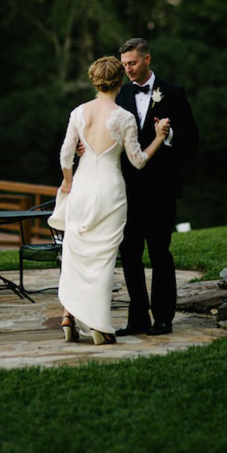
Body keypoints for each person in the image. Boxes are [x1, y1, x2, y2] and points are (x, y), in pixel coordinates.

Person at [52, 56, 170, 346]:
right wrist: (158, 137)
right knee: (103, 259)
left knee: (76, 253)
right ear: (119, 82)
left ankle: (68, 315)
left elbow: (65, 155)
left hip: (80, 189)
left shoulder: (79, 112)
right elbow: (139, 161)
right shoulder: (123, 117)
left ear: (94, 80)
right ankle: (99, 327)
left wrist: (68, 181)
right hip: (110, 191)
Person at [115, 37, 199, 337]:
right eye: (124, 65)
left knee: (160, 252)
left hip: (161, 189)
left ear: (147, 59)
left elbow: (192, 138)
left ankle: (163, 318)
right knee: (129, 251)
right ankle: (137, 317)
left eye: (133, 63)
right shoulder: (120, 95)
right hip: (128, 190)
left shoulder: (173, 93)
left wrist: (169, 133)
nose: (128, 70)